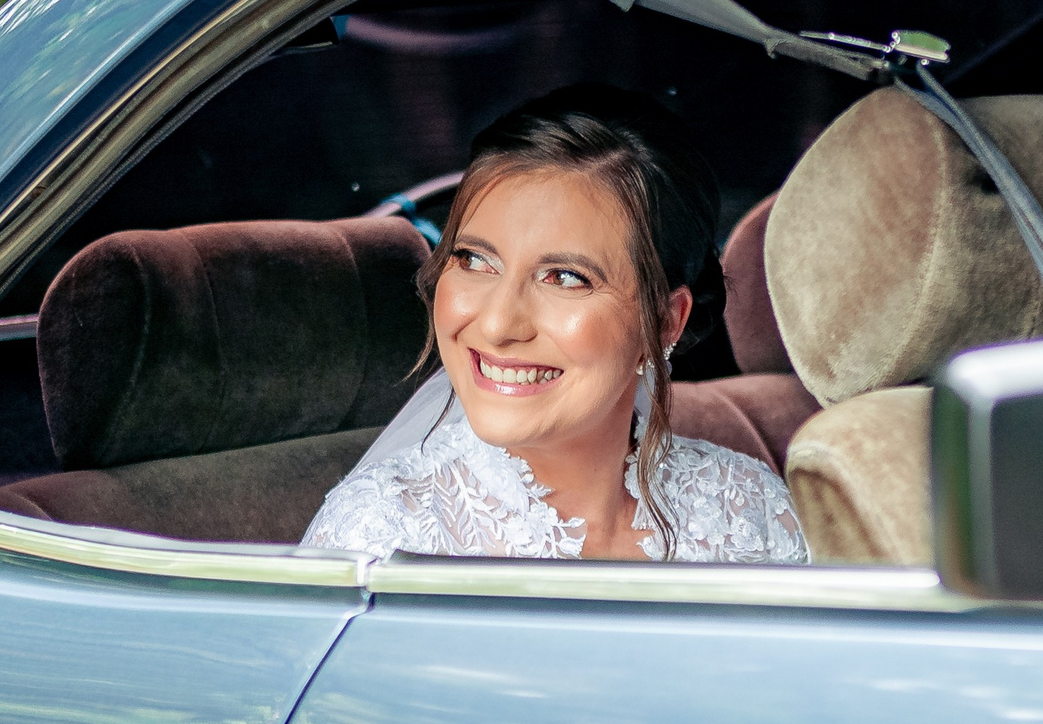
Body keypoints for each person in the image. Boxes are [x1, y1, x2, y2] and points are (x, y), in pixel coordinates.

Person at [303, 86, 808, 563]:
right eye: (475, 260)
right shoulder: (381, 540)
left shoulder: (750, 509)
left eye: (564, 277)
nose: (499, 324)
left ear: (664, 322)